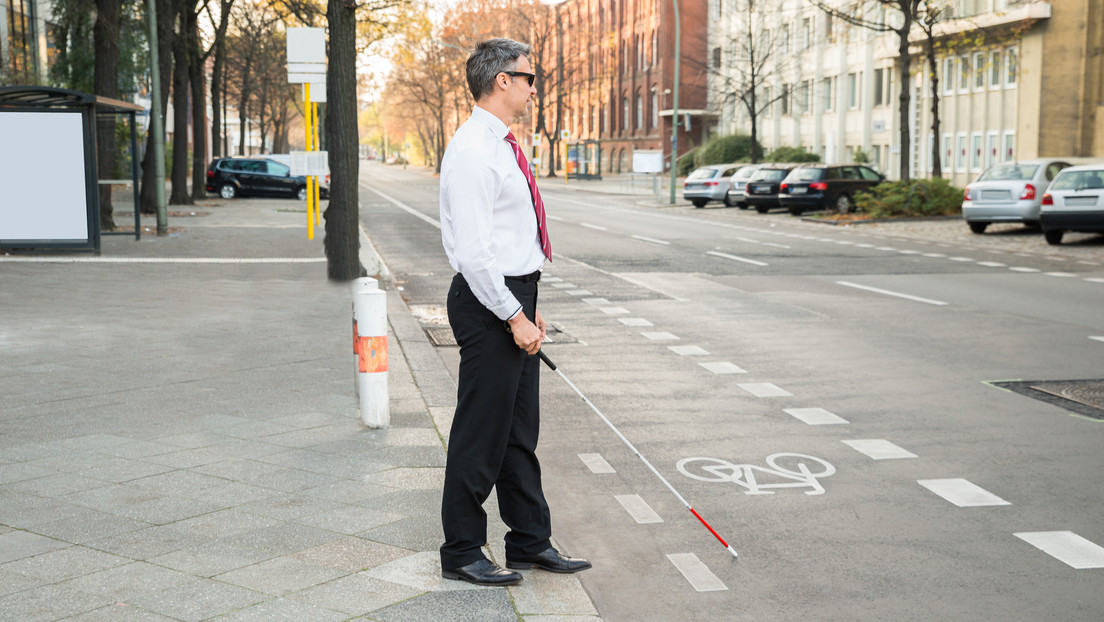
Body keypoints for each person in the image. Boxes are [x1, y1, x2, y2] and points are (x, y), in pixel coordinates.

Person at [438, 38, 591, 587]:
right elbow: (476, 256)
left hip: (514, 297)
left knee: (519, 431)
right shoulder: (475, 150)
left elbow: (509, 240)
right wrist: (512, 314)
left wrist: (528, 307)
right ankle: (460, 550)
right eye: (529, 77)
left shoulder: (501, 144)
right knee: (481, 433)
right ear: (502, 79)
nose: (533, 86)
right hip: (488, 303)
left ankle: (528, 540)